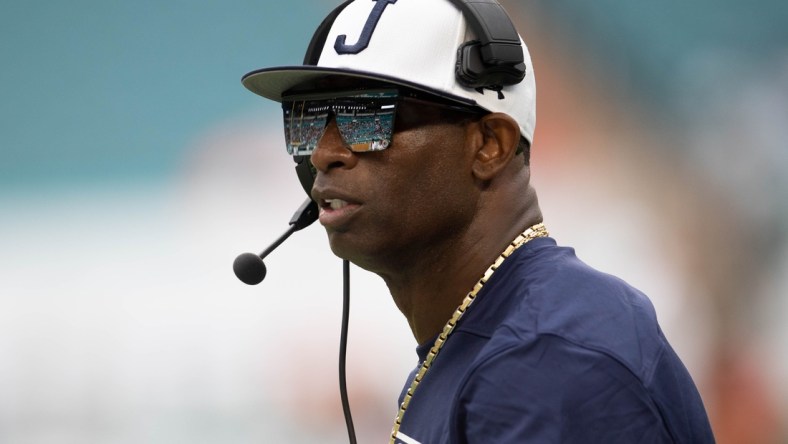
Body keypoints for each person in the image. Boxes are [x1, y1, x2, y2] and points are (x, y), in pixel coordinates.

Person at [241, 0, 716, 442]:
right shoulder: (492, 339)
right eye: (306, 120)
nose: (324, 153)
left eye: (366, 119)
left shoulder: (545, 364)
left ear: (490, 144)